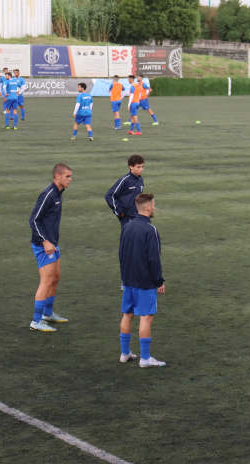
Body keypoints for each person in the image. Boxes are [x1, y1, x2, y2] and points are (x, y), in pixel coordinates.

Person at [119, 193, 166, 367]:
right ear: (147, 208)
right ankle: (145, 358)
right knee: (146, 318)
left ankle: (125, 354)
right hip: (145, 282)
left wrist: (124, 278)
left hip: (128, 280)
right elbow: (154, 259)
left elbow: (121, 254)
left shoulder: (127, 227)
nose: (154, 208)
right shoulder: (150, 230)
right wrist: (159, 281)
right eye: (153, 205)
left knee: (128, 314)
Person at [28, 164, 72, 332]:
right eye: (67, 176)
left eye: (70, 176)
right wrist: (45, 241)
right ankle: (36, 321)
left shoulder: (58, 194)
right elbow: (34, 220)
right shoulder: (48, 195)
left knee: (55, 278)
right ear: (57, 177)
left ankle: (47, 314)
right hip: (43, 245)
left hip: (52, 244)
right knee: (46, 281)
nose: (70, 179)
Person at [105, 154, 145, 229]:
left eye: (142, 166)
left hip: (137, 215)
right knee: (129, 237)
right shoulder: (125, 180)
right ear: (131, 167)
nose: (141, 169)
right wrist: (118, 211)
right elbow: (109, 195)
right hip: (127, 216)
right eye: (138, 167)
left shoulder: (140, 180)